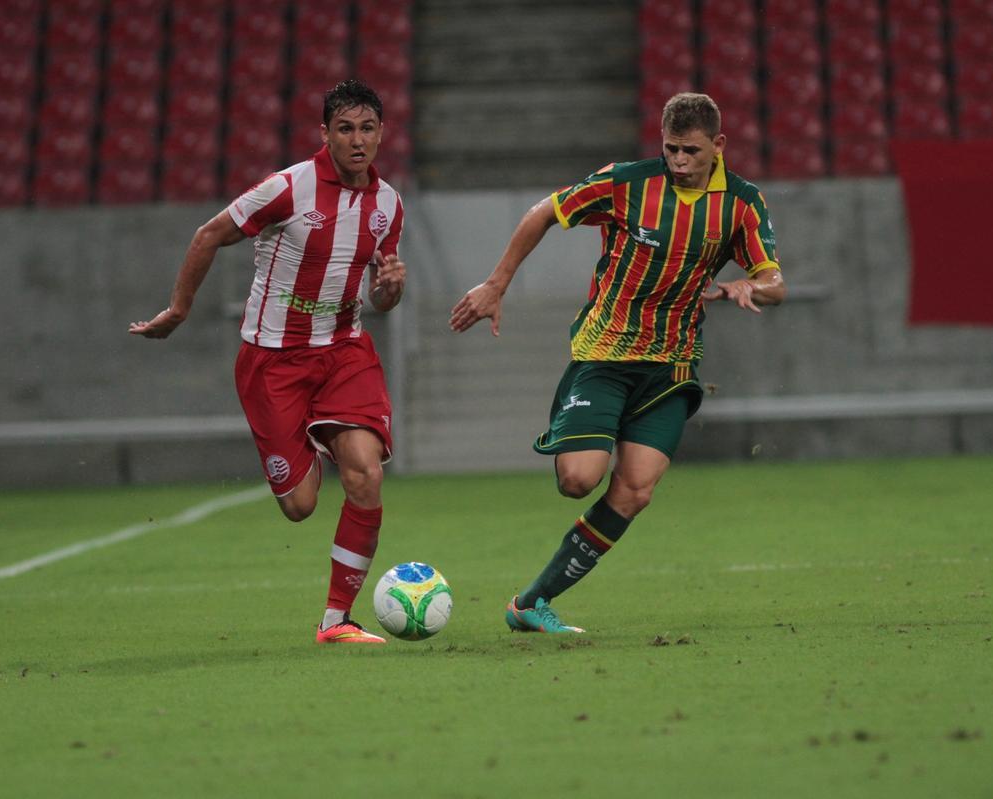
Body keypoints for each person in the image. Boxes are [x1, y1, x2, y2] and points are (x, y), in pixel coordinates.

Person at [449, 92, 786, 633]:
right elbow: (544, 213)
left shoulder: (743, 204)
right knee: (580, 480)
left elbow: (776, 283)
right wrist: (497, 283)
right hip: (605, 354)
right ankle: (577, 434)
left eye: (691, 152)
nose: (678, 161)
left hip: (672, 365)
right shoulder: (627, 182)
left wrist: (751, 285)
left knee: (635, 490)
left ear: (718, 146)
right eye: (671, 148)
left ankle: (530, 603)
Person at [130, 79, 406, 644]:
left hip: (345, 351)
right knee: (301, 507)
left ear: (382, 134)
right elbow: (209, 234)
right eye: (346, 128)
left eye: (368, 128)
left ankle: (336, 621)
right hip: (273, 362)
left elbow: (380, 297)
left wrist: (391, 291)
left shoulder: (389, 205)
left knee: (365, 472)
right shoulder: (286, 188)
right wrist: (179, 309)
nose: (357, 140)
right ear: (324, 133)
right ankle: (313, 438)